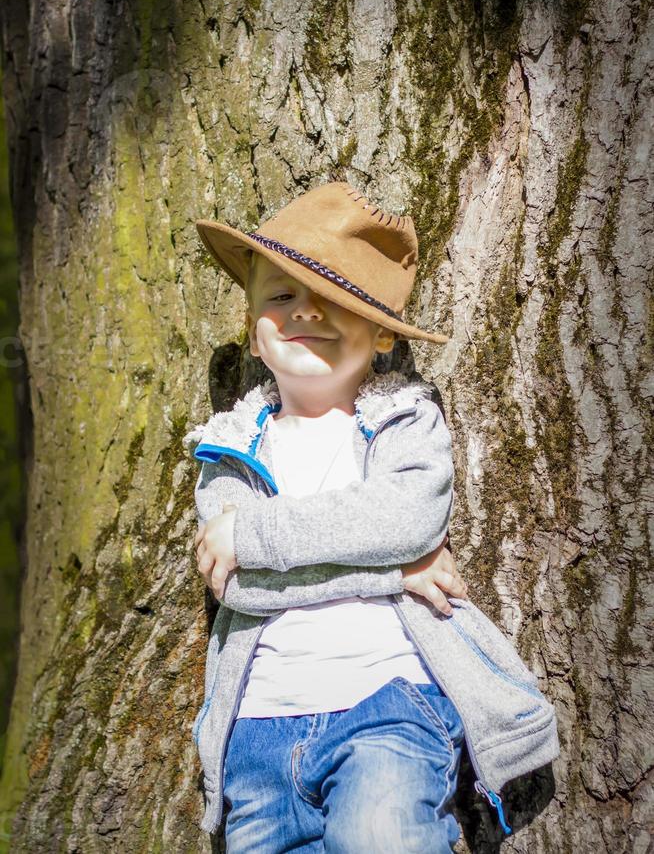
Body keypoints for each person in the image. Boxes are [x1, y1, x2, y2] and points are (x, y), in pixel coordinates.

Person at [186, 181, 559, 852]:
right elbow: (237, 584)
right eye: (280, 296)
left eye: (334, 299)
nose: (305, 312)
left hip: (385, 709)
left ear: (382, 331)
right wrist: (392, 575)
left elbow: (401, 521)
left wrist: (259, 535)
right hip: (257, 736)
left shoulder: (403, 419)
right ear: (252, 328)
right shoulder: (228, 446)